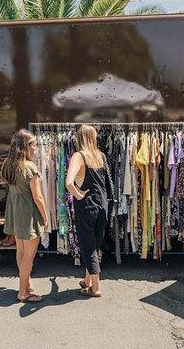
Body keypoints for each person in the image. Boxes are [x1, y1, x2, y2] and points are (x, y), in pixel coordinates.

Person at [66, 125, 112, 298]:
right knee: (95, 244)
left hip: (87, 206)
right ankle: (87, 280)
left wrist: (78, 195)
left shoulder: (79, 156)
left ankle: (96, 288)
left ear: (80, 137)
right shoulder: (100, 156)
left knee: (87, 246)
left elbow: (69, 183)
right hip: (102, 206)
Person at [2, 129, 47, 303]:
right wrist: (45, 217)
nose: (36, 148)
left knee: (20, 251)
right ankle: (23, 293)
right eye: (33, 145)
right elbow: (38, 197)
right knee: (29, 254)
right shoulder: (29, 167)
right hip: (28, 213)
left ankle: (26, 284)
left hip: (15, 211)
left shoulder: (8, 163)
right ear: (25, 147)